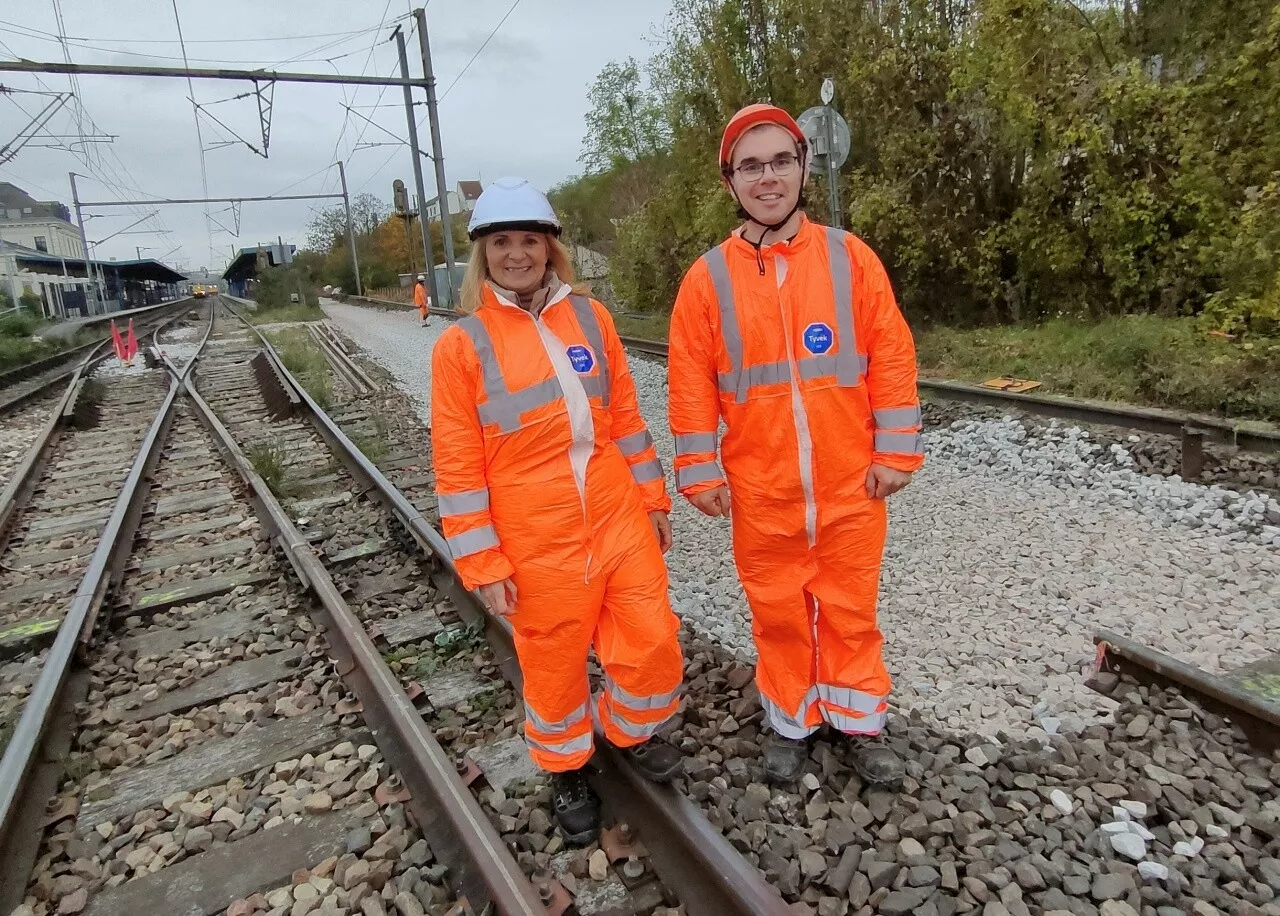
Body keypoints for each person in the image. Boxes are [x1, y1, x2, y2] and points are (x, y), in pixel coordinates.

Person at [667, 104, 924, 786]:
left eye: (781, 160)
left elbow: (891, 354)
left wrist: (895, 452)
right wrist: (698, 470)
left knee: (850, 609)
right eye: (751, 166)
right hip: (763, 489)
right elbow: (690, 382)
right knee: (778, 613)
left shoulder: (850, 259)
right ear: (731, 182)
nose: (768, 176)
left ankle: (859, 723)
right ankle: (792, 723)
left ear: (804, 168)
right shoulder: (707, 280)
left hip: (848, 485)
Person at [430, 177, 685, 844]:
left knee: (652, 637)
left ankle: (626, 732)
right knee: (554, 659)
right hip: (533, 529)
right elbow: (457, 467)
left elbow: (625, 420)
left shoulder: (592, 319)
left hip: (614, 510)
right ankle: (565, 764)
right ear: (483, 254)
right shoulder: (462, 346)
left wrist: (653, 497)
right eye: (503, 242)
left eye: (530, 240)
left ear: (551, 249)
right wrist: (481, 558)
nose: (518, 253)